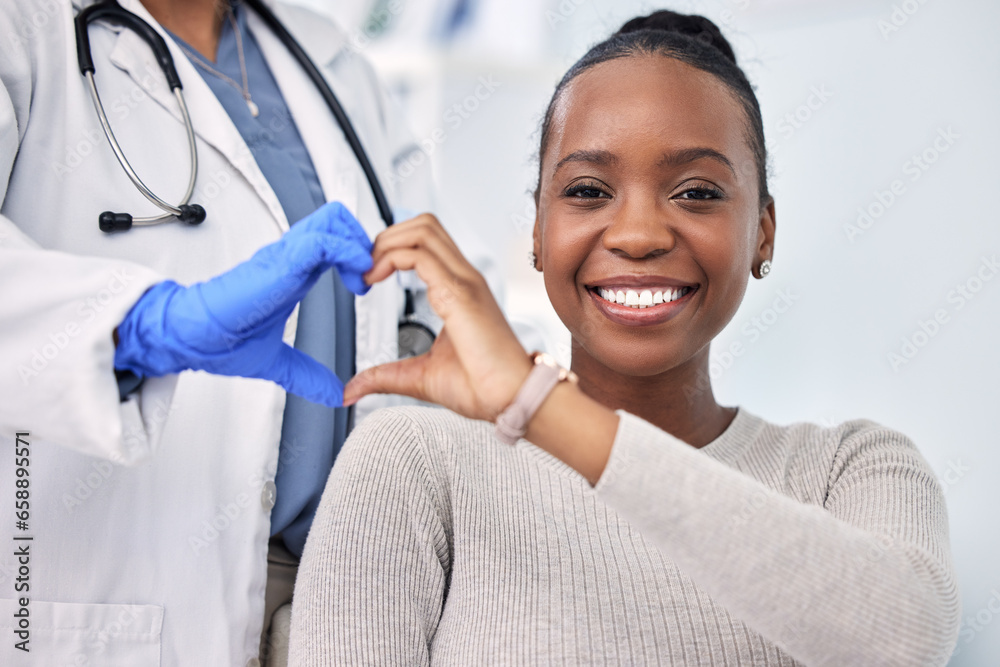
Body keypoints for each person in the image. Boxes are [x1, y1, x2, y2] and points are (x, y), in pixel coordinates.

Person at [289, 11, 961, 665]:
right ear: (537, 231)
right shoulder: (413, 464)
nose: (638, 235)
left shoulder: (852, 469)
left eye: (696, 193)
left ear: (763, 229)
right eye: (587, 189)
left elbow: (903, 639)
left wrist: (536, 400)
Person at [0, 0, 447, 663]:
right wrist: (146, 328)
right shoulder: (26, 28)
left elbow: (449, 290)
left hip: (340, 601)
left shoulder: (326, 56)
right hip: (117, 597)